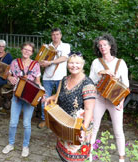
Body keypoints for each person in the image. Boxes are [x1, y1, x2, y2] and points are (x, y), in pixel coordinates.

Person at [44, 53, 96, 162]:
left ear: (82, 65)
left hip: (79, 127)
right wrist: (51, 98)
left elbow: (89, 109)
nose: (74, 66)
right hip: (63, 124)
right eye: (71, 63)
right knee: (63, 156)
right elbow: (60, 95)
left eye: (77, 63)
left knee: (75, 158)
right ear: (68, 64)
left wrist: (83, 129)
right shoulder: (64, 79)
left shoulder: (88, 84)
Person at [89, 34, 129, 162]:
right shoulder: (96, 62)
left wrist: (121, 101)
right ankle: (88, 155)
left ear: (110, 46)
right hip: (99, 99)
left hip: (115, 101)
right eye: (100, 46)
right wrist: (101, 72)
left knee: (118, 130)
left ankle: (121, 158)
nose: (102, 47)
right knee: (93, 127)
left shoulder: (120, 63)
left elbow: (126, 84)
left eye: (104, 45)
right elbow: (90, 81)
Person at [2, 42, 42, 157]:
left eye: (29, 50)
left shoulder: (35, 65)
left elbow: (37, 81)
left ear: (32, 52)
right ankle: (10, 144)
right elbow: (7, 74)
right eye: (25, 49)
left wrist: (41, 92)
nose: (26, 52)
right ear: (21, 50)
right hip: (17, 96)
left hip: (29, 99)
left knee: (26, 124)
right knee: (13, 123)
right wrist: (10, 77)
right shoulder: (14, 62)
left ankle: (25, 146)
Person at [38, 28, 71, 128]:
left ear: (61, 35)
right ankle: (45, 119)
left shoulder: (66, 46)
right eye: (53, 35)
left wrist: (50, 62)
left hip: (61, 77)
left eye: (57, 34)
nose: (55, 36)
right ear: (51, 36)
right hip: (47, 77)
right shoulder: (47, 47)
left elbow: (65, 58)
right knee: (45, 99)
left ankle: (59, 120)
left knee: (61, 99)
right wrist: (42, 63)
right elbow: (40, 61)